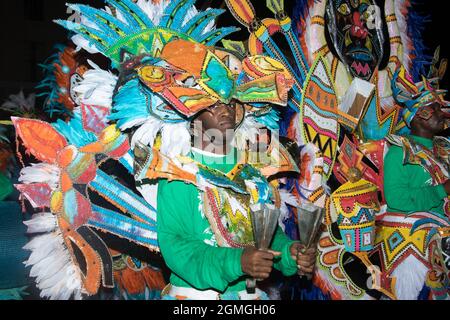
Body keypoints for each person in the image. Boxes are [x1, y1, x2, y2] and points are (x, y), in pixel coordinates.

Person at [156, 100, 317, 300]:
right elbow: (177, 246)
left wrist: (288, 253)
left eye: (231, 104)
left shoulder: (253, 170)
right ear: (191, 115)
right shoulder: (178, 173)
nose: (226, 110)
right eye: (214, 105)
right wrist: (237, 262)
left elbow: (266, 237)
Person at [384, 67, 450, 217]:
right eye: (435, 108)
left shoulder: (444, 146)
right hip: (414, 233)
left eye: (441, 109)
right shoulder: (399, 152)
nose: (442, 114)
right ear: (419, 115)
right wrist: (442, 190)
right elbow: (396, 199)